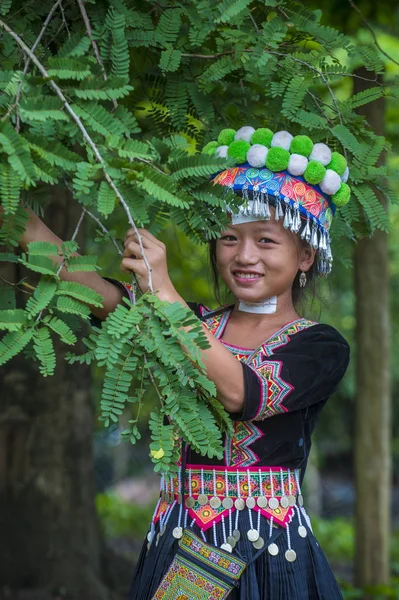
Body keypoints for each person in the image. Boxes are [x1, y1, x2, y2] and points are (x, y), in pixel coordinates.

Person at [14, 126, 351, 599]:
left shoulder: (320, 347)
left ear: (305, 256)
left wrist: (164, 295)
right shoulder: (186, 320)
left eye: (266, 241)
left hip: (269, 555)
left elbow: (241, 392)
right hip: (178, 545)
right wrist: (15, 210)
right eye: (229, 238)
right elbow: (89, 288)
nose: (244, 255)